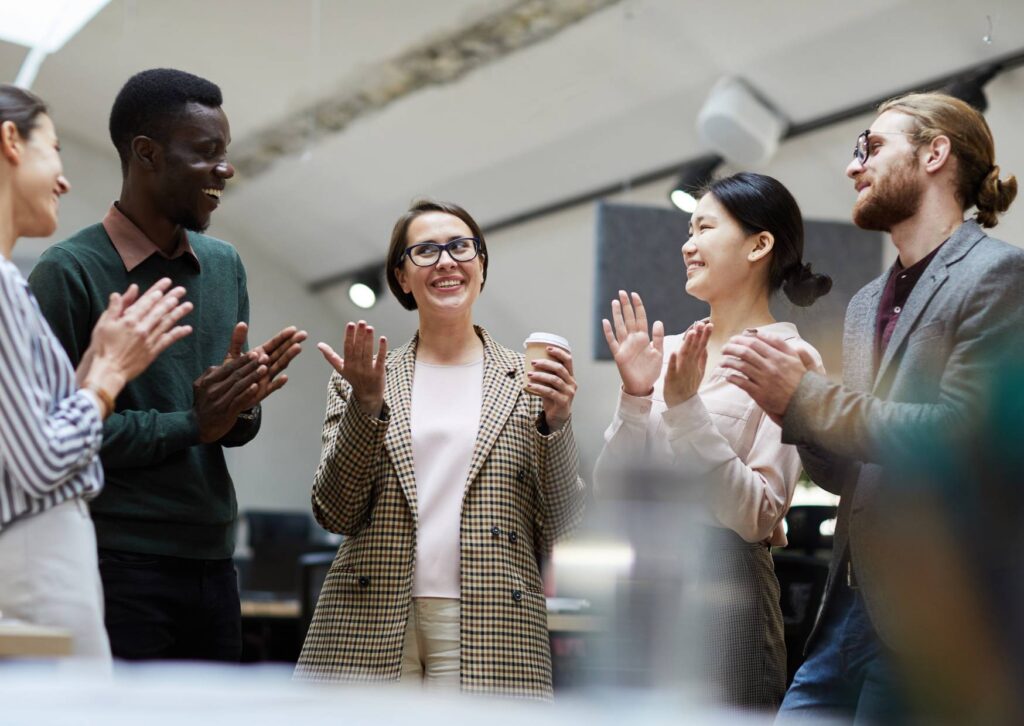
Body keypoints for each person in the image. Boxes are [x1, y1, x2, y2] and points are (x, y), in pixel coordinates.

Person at [719, 93, 1024, 722]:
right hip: (850, 606)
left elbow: (959, 435)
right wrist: (789, 410)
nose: (855, 167)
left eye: (873, 147)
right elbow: (845, 475)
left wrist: (807, 397)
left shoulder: (999, 274)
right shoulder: (863, 304)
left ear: (935, 153)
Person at [28, 69, 307, 662]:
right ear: (147, 154)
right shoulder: (68, 272)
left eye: (224, 154)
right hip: (115, 561)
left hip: (213, 563)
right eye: (205, 153)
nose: (224, 170)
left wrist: (239, 408)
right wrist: (193, 422)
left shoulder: (224, 264)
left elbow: (227, 427)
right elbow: (53, 440)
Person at [295, 199, 585, 698]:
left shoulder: (529, 380)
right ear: (402, 277)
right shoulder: (368, 377)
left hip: (493, 612)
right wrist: (366, 405)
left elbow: (561, 522)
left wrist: (557, 422)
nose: (446, 261)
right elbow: (335, 511)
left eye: (460, 246)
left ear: (481, 264)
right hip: (371, 611)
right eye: (425, 251)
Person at [595, 172, 830, 709]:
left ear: (759, 244)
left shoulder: (790, 360)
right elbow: (613, 493)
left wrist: (684, 409)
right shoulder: (669, 350)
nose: (687, 243)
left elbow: (758, 514)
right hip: (642, 583)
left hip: (727, 592)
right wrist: (635, 394)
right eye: (688, 228)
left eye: (703, 228)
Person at [0, 84, 192, 661]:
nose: (63, 179)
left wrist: (85, 375)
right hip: (35, 557)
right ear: (10, 140)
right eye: (53, 148)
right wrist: (108, 375)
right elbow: (40, 463)